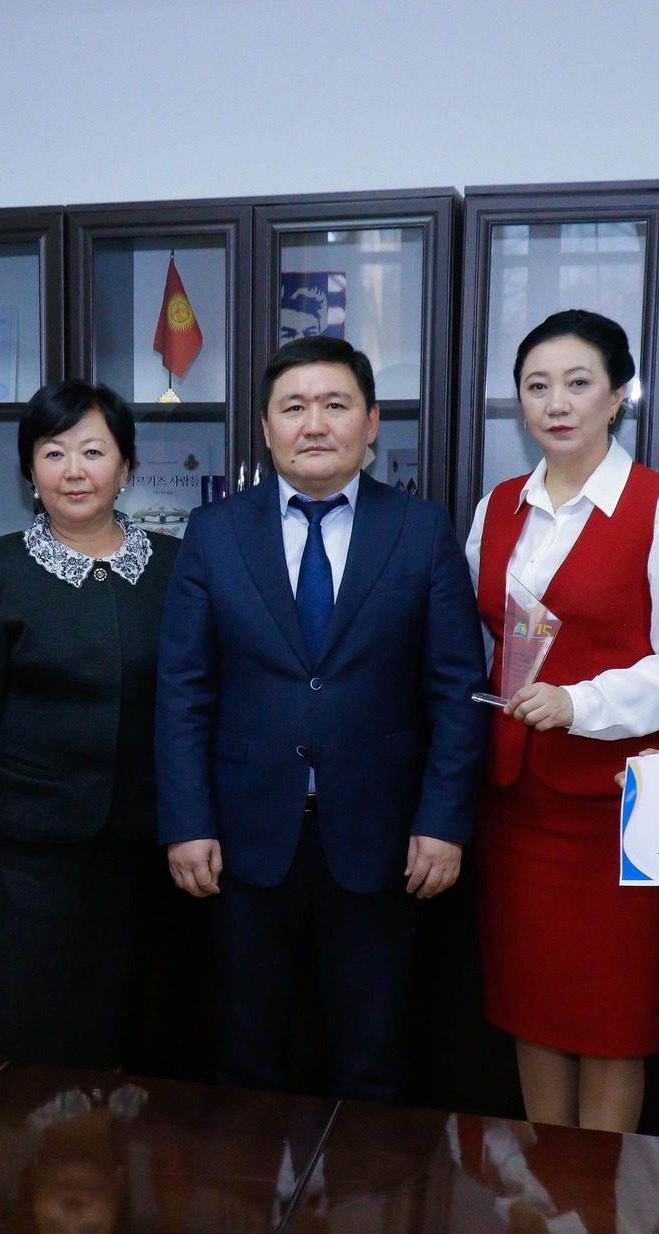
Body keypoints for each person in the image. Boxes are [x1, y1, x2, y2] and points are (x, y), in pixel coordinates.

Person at [156, 334, 485, 1103]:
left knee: (373, 1056)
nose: (314, 424)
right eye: (294, 407)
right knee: (248, 1051)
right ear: (265, 427)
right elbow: (183, 689)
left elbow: (457, 690)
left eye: (335, 405)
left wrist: (443, 820)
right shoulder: (213, 532)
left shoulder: (421, 529)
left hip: (383, 837)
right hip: (243, 839)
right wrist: (186, 821)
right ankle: (250, 1184)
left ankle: (364, 1185)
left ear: (369, 423)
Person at [466, 310, 659, 1132]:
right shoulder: (497, 508)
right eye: (536, 386)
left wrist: (582, 703)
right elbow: (481, 638)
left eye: (578, 383)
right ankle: (548, 1191)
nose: (556, 403)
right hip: (515, 799)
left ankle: (601, 1198)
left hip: (615, 806)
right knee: (532, 1007)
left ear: (619, 396)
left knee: (614, 1019)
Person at [0, 379, 178, 1069]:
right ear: (29, 471)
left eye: (93, 452)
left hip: (140, 850)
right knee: (29, 1032)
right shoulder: (4, 565)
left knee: (127, 1027)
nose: (74, 470)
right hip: (27, 857)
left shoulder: (172, 566)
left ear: (126, 467)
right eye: (53, 452)